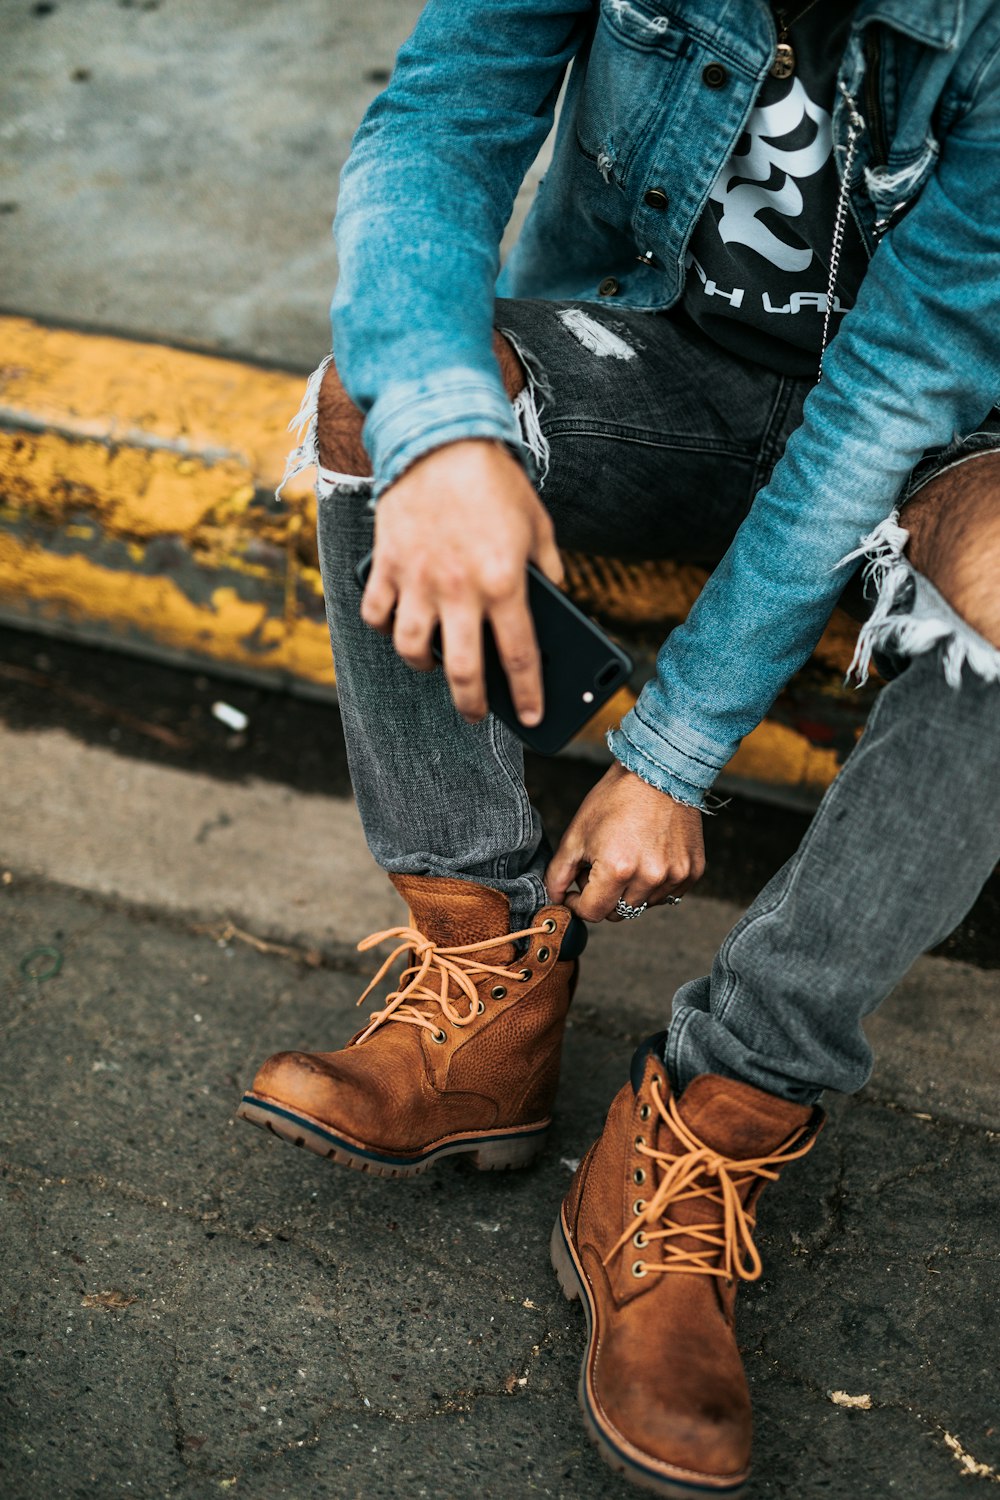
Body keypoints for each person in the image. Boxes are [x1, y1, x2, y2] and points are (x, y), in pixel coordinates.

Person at [238, 1, 1000, 1492]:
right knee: (377, 392)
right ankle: (484, 985)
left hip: (936, 435)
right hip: (659, 359)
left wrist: (670, 751)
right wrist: (447, 430)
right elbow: (437, 132)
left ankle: (709, 1119)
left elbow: (895, 384)